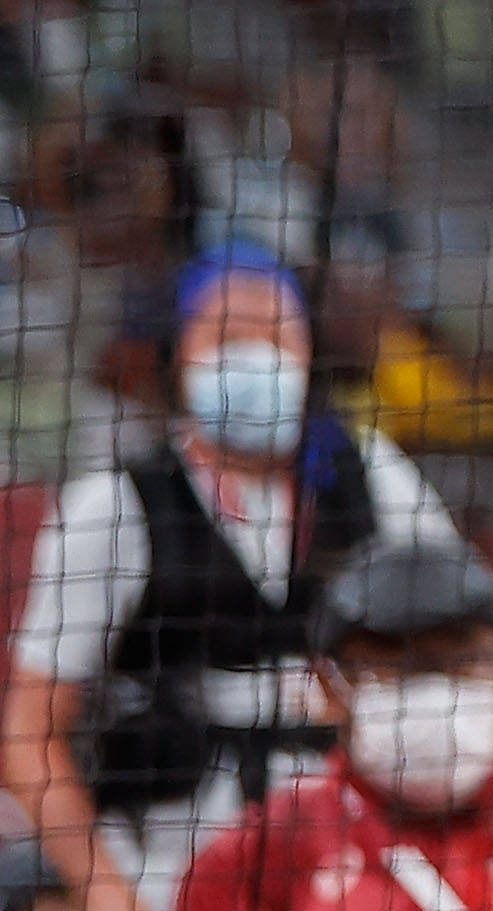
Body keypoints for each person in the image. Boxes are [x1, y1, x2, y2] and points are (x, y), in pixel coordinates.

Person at [2, 246, 462, 911]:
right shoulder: (115, 504)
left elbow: (485, 644)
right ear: (179, 353)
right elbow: (28, 733)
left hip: (345, 860)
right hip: (163, 862)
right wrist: (111, 894)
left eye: (278, 334)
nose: (257, 353)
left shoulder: (372, 477)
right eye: (227, 334)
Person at [175, 541, 493, 911]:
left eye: (459, 665)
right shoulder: (263, 855)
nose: (432, 692)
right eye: (394, 667)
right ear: (328, 686)